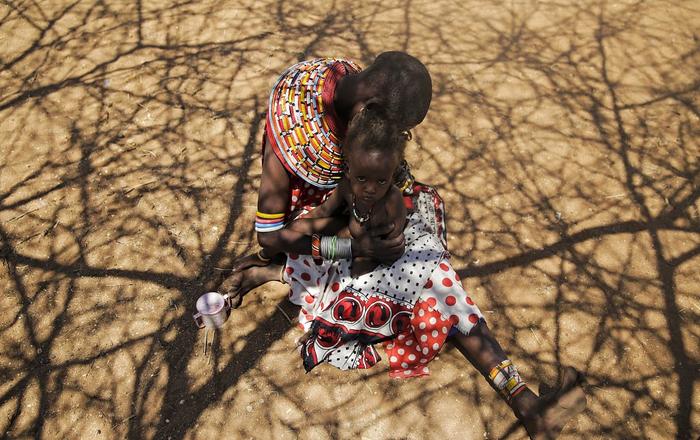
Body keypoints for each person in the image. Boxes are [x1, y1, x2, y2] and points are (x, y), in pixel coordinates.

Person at [221, 53, 586, 439]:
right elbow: (274, 233)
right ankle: (524, 402)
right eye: (399, 128)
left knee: (428, 266)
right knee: (435, 282)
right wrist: (350, 248)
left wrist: (388, 223)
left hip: (349, 232)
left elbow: (391, 190)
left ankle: (523, 399)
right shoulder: (297, 124)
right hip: (316, 241)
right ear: (371, 113)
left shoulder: (349, 89)